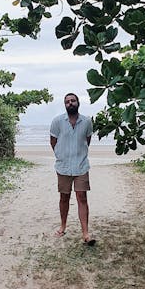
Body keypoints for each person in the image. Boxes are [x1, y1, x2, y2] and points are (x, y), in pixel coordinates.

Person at [50, 93, 96, 245]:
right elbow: (53, 141)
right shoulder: (57, 121)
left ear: (78, 103)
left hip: (81, 165)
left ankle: (86, 234)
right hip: (63, 166)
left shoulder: (87, 121)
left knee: (82, 197)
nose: (70, 103)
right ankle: (63, 227)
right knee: (64, 197)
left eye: (73, 101)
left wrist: (79, 154)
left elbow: (87, 140)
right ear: (65, 105)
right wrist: (60, 155)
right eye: (67, 101)